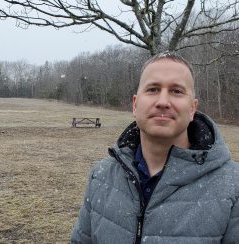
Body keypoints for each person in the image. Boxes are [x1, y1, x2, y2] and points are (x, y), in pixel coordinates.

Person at [71, 51, 239, 244]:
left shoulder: (233, 187)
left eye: (176, 91)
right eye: (153, 89)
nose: (162, 102)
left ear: (192, 108)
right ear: (135, 105)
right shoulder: (101, 176)